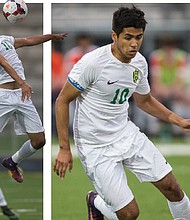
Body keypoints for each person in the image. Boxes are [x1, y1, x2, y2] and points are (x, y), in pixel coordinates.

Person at [53, 5, 190, 220]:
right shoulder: (92, 63)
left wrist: (177, 119)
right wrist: (64, 148)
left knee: (172, 188)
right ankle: (95, 201)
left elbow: (144, 101)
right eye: (128, 37)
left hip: (126, 134)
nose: (134, 43)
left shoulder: (140, 63)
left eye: (139, 37)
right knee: (129, 214)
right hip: (95, 145)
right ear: (114, 36)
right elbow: (62, 101)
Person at [0, 33, 67, 183]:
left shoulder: (4, 39)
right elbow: (3, 63)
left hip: (21, 95)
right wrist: (22, 82)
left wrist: (50, 37)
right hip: (3, 96)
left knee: (39, 140)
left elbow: (27, 40)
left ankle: (12, 161)